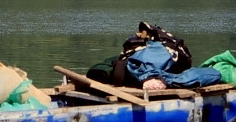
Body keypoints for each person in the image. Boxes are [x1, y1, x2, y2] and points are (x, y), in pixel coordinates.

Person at [89, 21, 224, 91]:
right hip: (143, 68)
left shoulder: (157, 52)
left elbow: (212, 75)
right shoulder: (136, 58)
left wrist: (161, 79)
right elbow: (213, 74)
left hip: (151, 68)